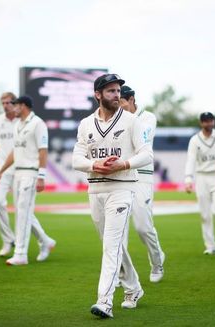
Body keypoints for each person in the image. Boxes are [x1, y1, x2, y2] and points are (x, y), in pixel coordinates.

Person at [72, 74, 153, 318]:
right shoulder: (86, 123)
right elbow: (77, 159)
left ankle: (104, 301)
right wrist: (95, 165)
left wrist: (124, 164)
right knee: (113, 245)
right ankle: (134, 287)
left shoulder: (132, 121)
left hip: (122, 188)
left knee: (111, 246)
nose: (116, 95)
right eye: (110, 91)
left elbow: (147, 154)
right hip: (95, 189)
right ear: (98, 95)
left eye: (118, 90)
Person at [0, 92, 55, 260]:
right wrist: (1, 171)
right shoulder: (18, 125)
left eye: (15, 105)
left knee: (23, 212)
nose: (12, 108)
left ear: (23, 106)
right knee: (22, 212)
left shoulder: (38, 124)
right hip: (18, 172)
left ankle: (20, 254)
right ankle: (45, 241)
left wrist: (41, 176)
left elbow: (43, 150)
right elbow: (14, 152)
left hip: (30, 173)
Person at [119, 85, 165, 283]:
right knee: (118, 230)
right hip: (120, 176)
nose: (118, 107)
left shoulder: (148, 117)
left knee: (143, 227)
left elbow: (140, 140)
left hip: (142, 177)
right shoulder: (116, 117)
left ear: (131, 100)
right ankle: (121, 274)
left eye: (121, 102)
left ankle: (157, 260)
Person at [184, 112, 215, 255]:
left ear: (213, 122)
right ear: (201, 123)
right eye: (205, 121)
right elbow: (191, 159)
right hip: (202, 177)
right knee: (205, 214)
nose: (208, 123)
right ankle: (210, 245)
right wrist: (188, 179)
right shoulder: (195, 140)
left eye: (210, 121)